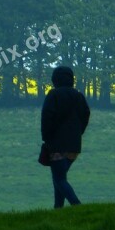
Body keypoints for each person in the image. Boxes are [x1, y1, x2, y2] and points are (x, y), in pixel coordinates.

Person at [41, 65, 90, 208]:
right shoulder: (78, 96)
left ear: (55, 79)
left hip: (56, 144)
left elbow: (46, 118)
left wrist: (46, 138)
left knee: (59, 179)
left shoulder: (53, 95)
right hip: (74, 145)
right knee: (60, 178)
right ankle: (58, 209)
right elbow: (85, 115)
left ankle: (77, 206)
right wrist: (78, 132)